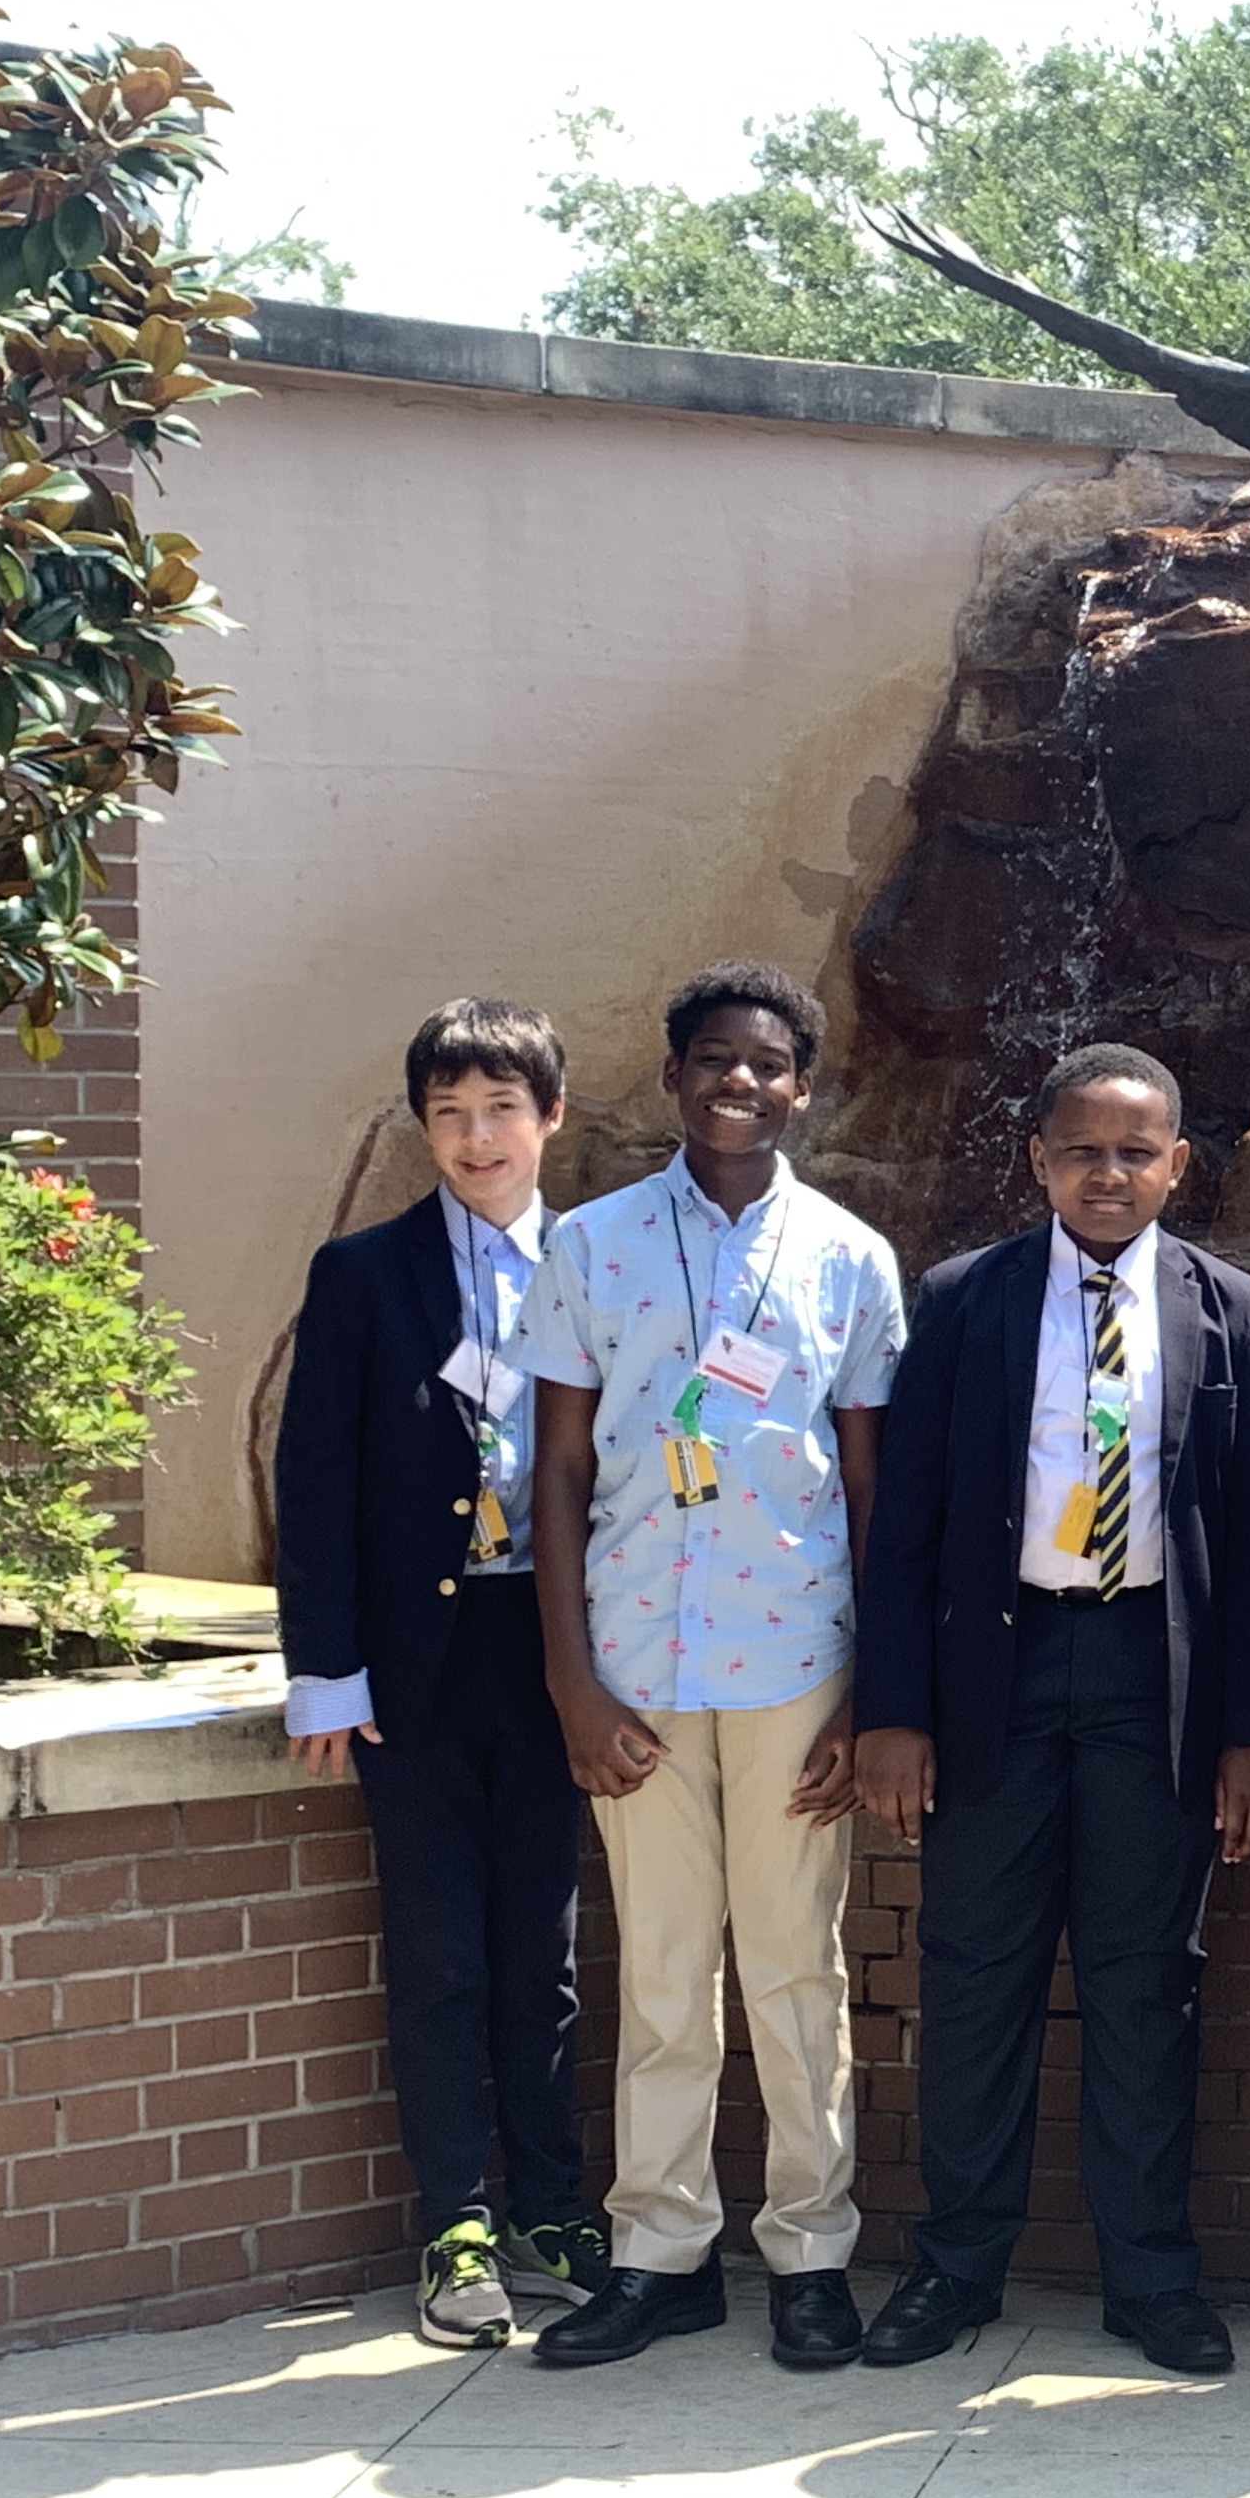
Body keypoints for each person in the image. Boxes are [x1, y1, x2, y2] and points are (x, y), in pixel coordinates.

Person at [849, 1044, 1250, 2379]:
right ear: (1037, 1161)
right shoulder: (964, 1300)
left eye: (1135, 1152)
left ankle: (1149, 2276)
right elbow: (907, 1520)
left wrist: (1246, 1735)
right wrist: (894, 1710)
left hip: (1153, 1684)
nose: (1110, 1175)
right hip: (1002, 1675)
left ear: (1177, 1166)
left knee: (1144, 1986)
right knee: (975, 1977)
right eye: (1083, 1152)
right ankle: (956, 2266)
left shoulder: (1235, 1310)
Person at [512, 960, 908, 2372]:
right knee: (663, 1973)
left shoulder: (850, 1260)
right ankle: (660, 2251)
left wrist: (872, 1691)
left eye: (766, 1065)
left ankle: (810, 2251)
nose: (738, 1084)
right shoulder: (594, 1248)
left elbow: (870, 1484)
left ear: (804, 1085)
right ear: (675, 1077)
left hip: (797, 1654)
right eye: (712, 1062)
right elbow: (555, 1470)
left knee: (796, 1970)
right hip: (635, 1660)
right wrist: (571, 1674)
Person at [275, 998, 600, 2349]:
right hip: (418, 1660)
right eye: (452, 1115)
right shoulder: (364, 1274)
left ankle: (553, 2203)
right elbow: (317, 1478)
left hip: (560, 1648)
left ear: (550, 1121)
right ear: (424, 1128)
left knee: (549, 1945)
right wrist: (325, 1673)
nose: (479, 1139)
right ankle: (455, 2215)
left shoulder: (600, 1265)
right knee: (440, 1949)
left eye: (503, 1111)